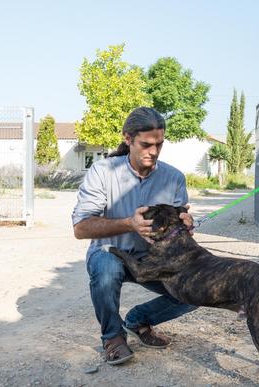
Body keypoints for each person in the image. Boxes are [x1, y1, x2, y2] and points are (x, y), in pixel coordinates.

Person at [72, 107, 197, 365]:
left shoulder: (173, 178)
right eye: (146, 144)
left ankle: (139, 320)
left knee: (197, 289)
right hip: (110, 253)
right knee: (107, 270)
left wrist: (185, 225)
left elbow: (177, 229)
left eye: (159, 144)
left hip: (153, 258)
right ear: (128, 138)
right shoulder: (102, 172)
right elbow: (81, 228)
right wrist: (130, 224)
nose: (154, 151)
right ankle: (113, 338)